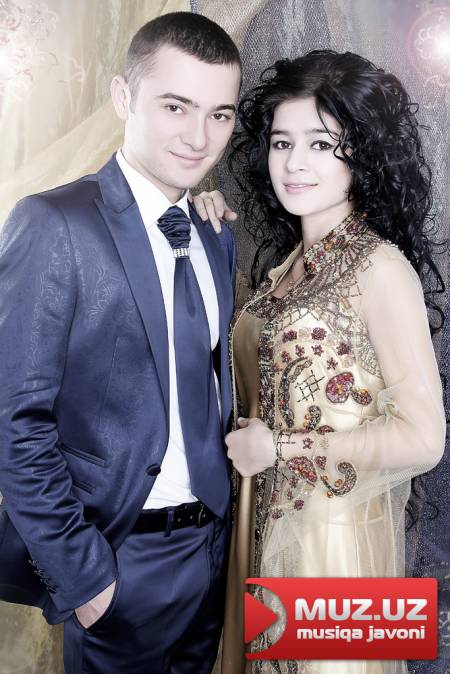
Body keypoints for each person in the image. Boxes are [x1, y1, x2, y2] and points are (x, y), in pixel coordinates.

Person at [0, 12, 241, 674]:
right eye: (175, 106)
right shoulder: (53, 223)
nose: (199, 137)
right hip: (118, 561)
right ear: (123, 97)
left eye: (219, 114)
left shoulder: (216, 233)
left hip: (212, 550)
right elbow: (15, 420)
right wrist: (85, 579)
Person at [193, 50, 445, 674]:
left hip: (334, 549)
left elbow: (425, 438)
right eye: (282, 143)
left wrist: (279, 449)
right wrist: (200, 228)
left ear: (361, 153)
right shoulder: (287, 268)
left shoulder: (379, 268)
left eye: (321, 143)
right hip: (260, 533)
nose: (295, 162)